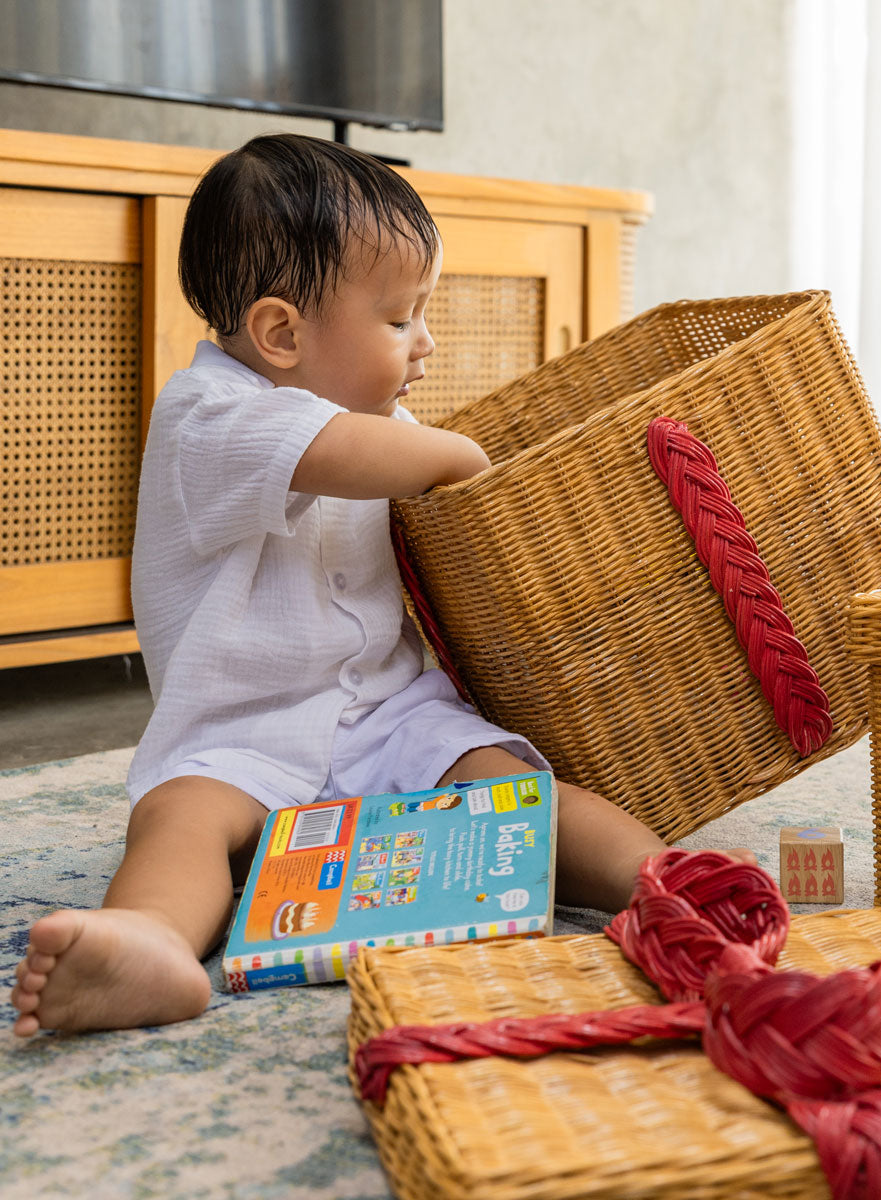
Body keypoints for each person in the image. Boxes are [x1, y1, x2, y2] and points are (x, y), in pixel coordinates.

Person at [10, 134, 748, 1037]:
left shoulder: (377, 415)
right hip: (242, 734)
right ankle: (149, 940)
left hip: (390, 716)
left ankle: (666, 883)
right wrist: (469, 457)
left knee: (514, 785)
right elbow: (360, 457)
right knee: (180, 818)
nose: (425, 342)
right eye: (401, 320)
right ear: (280, 334)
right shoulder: (209, 417)